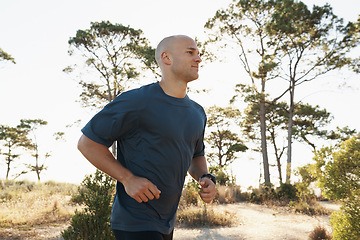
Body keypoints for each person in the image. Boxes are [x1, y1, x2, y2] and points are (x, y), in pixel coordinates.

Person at [77, 35, 216, 240]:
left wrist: (206, 178)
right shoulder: (137, 101)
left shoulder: (197, 113)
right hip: (134, 221)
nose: (198, 59)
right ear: (166, 58)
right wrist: (127, 179)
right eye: (190, 52)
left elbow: (196, 156)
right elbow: (87, 143)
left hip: (167, 222)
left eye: (198, 53)